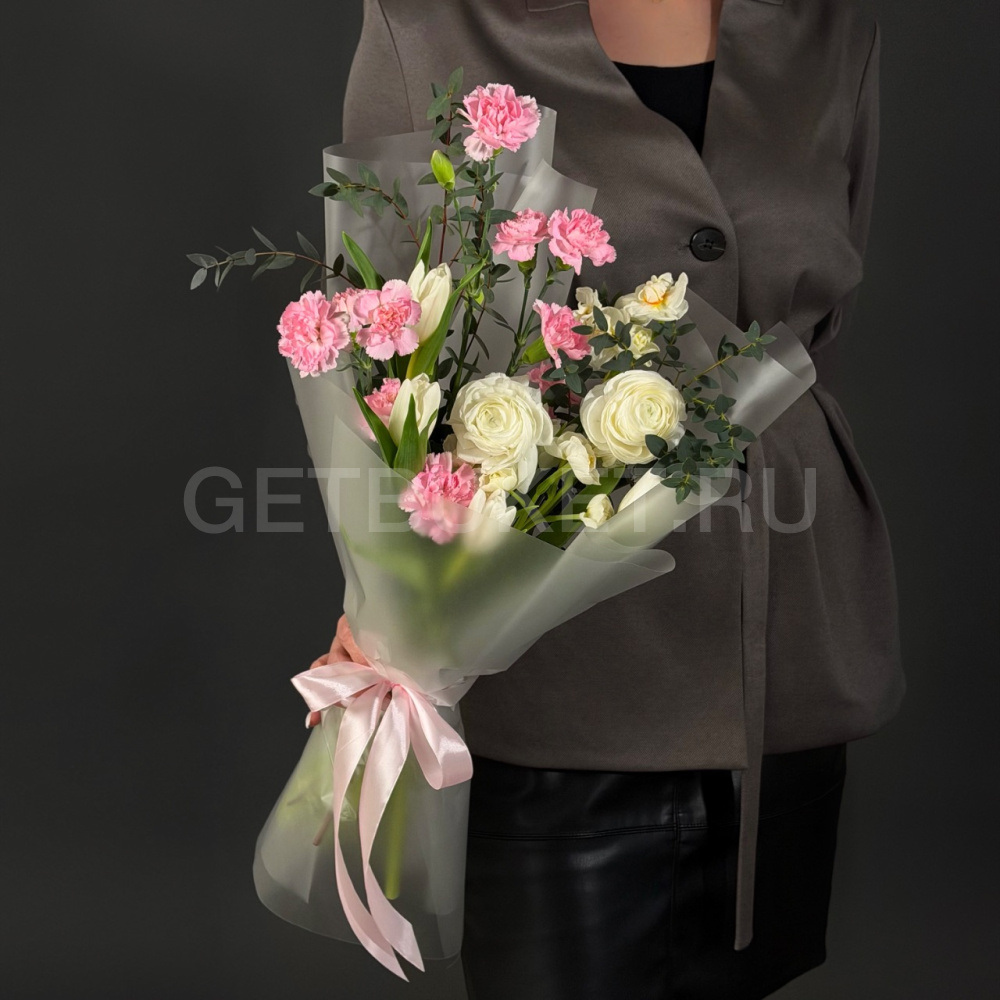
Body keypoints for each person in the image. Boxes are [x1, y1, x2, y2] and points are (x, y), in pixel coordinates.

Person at [341, 1, 906, 997]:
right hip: (557, 659)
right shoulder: (427, 25)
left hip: (780, 653)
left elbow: (819, 315)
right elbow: (381, 340)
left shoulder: (831, 29)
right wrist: (383, 589)